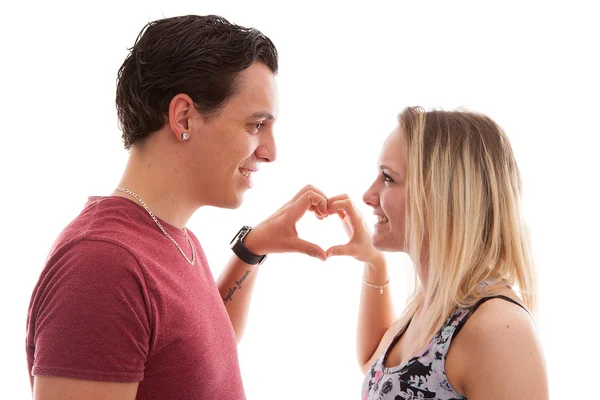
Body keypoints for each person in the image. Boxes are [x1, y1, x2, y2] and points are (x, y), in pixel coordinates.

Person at [26, 15, 329, 400]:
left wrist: (251, 250)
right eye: (256, 126)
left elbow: (196, 355)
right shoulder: (103, 264)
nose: (270, 153)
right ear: (184, 116)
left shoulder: (173, 238)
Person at [325, 107, 549, 399]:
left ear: (442, 195)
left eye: (388, 178)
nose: (368, 195)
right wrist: (373, 263)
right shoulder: (432, 305)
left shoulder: (498, 329)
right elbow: (375, 365)